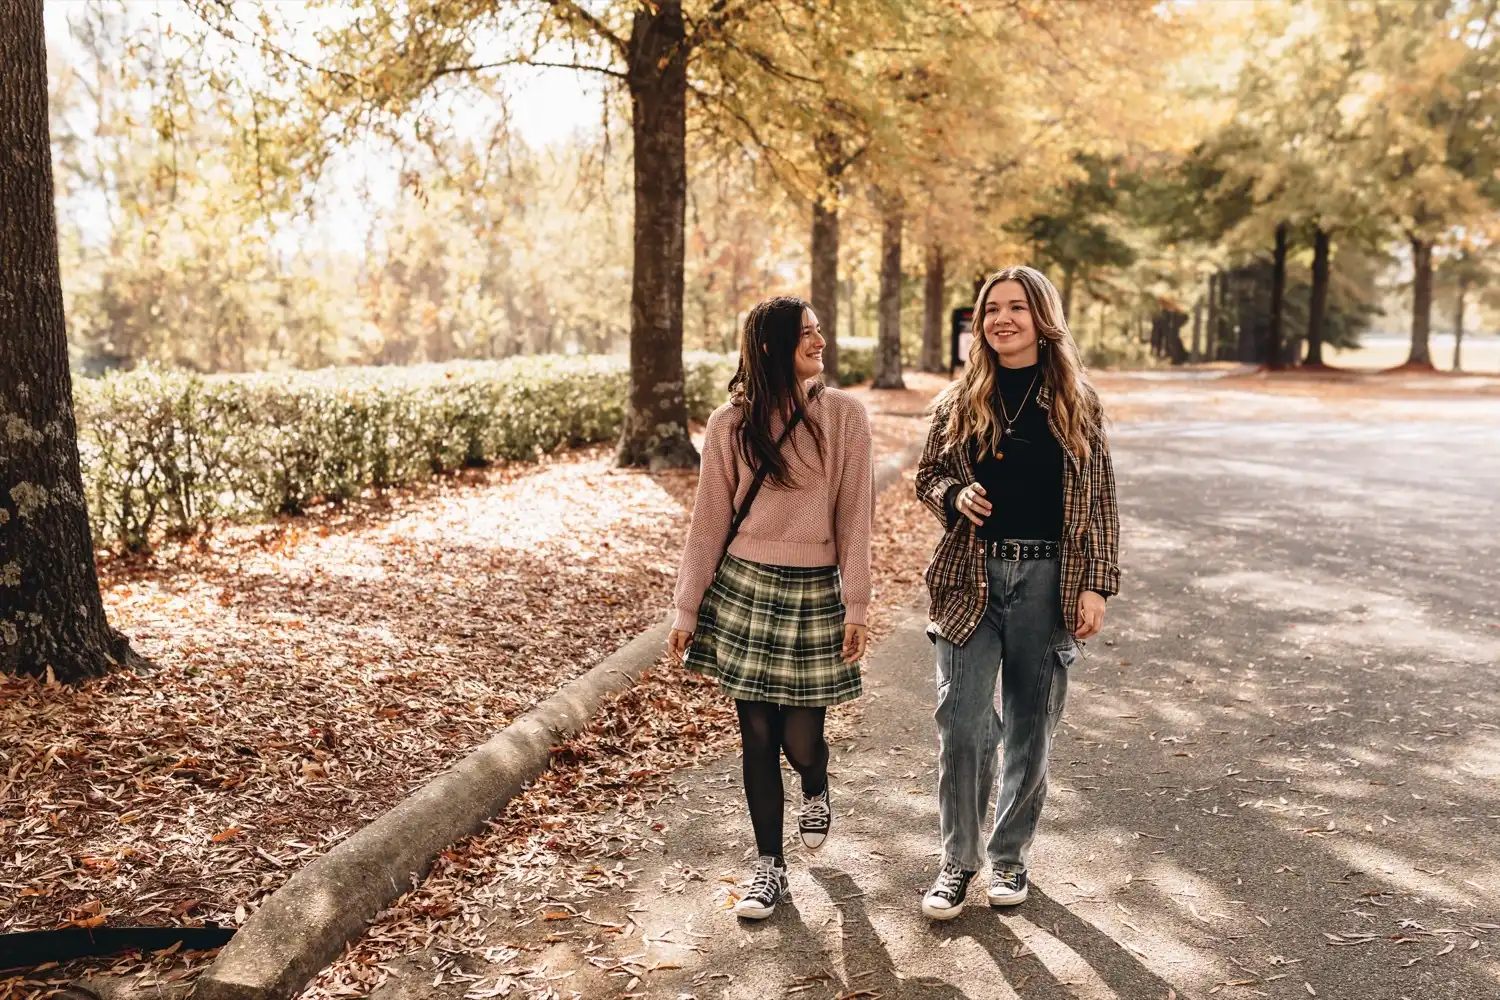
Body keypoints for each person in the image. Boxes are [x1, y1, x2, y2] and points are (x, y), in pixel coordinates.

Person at [914, 265, 1120, 920]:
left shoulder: (1077, 402)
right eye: (991, 308)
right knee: (963, 720)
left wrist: (1096, 585)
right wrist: (954, 494)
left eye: (1016, 308)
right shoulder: (959, 400)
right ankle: (957, 860)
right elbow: (928, 477)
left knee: (1031, 727)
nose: (1001, 319)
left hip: (1048, 582)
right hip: (969, 579)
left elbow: (1103, 501)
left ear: (1042, 318)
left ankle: (1008, 858)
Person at [667, 295, 873, 920]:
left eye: (819, 330)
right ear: (769, 347)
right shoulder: (730, 423)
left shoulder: (845, 416)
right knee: (756, 732)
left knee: (802, 737)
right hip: (746, 588)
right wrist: (686, 608)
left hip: (813, 592)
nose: (819, 341)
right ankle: (769, 866)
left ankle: (815, 784)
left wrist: (856, 602)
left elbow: (856, 516)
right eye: (805, 334)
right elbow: (709, 521)